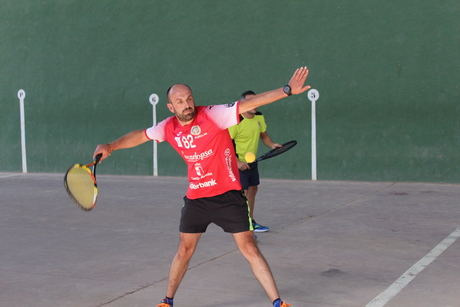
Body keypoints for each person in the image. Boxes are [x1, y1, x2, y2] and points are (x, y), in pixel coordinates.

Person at [93, 66, 310, 307]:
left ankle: (278, 302)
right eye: (179, 101)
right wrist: (111, 146)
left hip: (229, 196)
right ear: (170, 107)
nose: (186, 104)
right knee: (184, 250)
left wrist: (287, 90)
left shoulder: (213, 114)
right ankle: (167, 301)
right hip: (197, 199)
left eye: (188, 99)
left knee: (250, 248)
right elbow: (141, 136)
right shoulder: (168, 127)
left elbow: (249, 104)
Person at [229, 90, 282, 232]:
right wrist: (237, 162)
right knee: (243, 193)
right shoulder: (236, 121)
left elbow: (263, 135)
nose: (255, 104)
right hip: (237, 162)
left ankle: (250, 221)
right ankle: (243, 225)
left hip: (252, 162)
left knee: (253, 189)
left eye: (257, 100)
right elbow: (225, 144)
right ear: (242, 104)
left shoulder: (259, 117)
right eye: (250, 101)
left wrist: (272, 145)